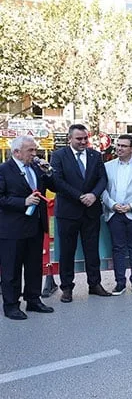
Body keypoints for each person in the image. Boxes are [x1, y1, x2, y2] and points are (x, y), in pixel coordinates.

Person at [51, 123, 111, 302]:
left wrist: (94, 195)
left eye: (85, 138)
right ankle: (67, 287)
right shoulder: (59, 155)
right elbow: (58, 181)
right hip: (68, 211)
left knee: (92, 250)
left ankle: (95, 284)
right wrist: (79, 196)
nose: (83, 142)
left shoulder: (95, 155)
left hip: (91, 211)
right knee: (67, 251)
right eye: (79, 139)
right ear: (69, 138)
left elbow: (103, 178)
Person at [0, 135, 56, 320]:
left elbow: (54, 187)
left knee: (34, 266)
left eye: (35, 149)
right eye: (30, 150)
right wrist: (22, 202)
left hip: (35, 225)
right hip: (12, 228)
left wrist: (49, 173)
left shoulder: (36, 168)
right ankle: (11, 305)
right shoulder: (4, 170)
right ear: (16, 152)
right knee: (12, 268)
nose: (35, 153)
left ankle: (33, 299)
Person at [101, 135, 132, 296]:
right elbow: (102, 188)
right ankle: (120, 283)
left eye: (124, 146)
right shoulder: (107, 166)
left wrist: (131, 206)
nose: (119, 148)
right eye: (118, 145)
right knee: (118, 248)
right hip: (114, 213)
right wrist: (112, 205)